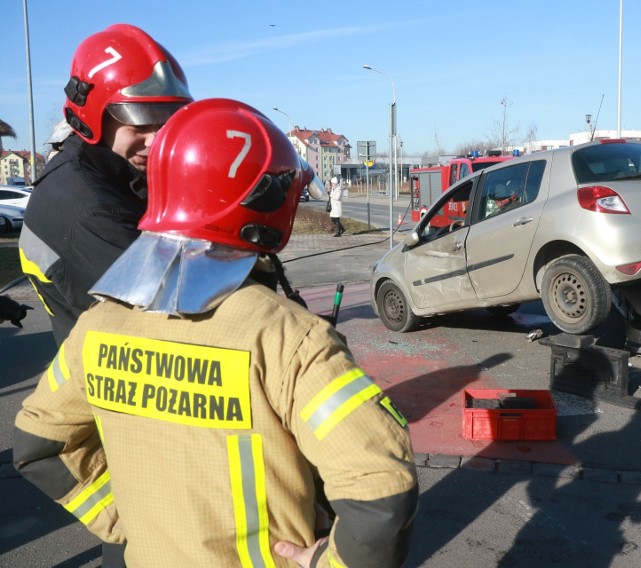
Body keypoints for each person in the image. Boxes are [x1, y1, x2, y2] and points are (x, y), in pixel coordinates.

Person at [13, 98, 418, 568]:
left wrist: (122, 520)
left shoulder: (96, 326)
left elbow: (38, 444)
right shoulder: (288, 338)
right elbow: (381, 492)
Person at [19, 23, 193, 346]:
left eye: (168, 118)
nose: (156, 140)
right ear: (92, 117)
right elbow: (177, 318)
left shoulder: (118, 176)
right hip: (110, 388)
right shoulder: (87, 209)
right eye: (139, 119)